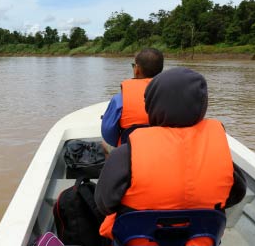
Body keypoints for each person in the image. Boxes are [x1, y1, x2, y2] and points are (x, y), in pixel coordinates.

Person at [95, 67, 247, 246]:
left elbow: (104, 204)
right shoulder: (220, 156)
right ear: (202, 105)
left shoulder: (125, 154)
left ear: (151, 105)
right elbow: (236, 194)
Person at [101, 48, 163, 153]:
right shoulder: (173, 97)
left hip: (130, 151)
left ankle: (114, 167)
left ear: (137, 69)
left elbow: (108, 135)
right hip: (161, 149)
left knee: (104, 144)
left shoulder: (119, 100)